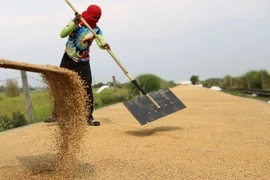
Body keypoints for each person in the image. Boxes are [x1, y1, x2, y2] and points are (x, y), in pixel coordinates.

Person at [45, 4, 110, 126]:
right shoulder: (77, 21)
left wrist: (104, 45)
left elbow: (100, 41)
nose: (95, 20)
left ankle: (88, 117)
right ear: (88, 14)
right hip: (68, 58)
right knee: (61, 87)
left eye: (97, 18)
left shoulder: (96, 30)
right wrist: (75, 22)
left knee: (87, 89)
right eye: (93, 17)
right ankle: (56, 114)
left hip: (83, 62)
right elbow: (62, 34)